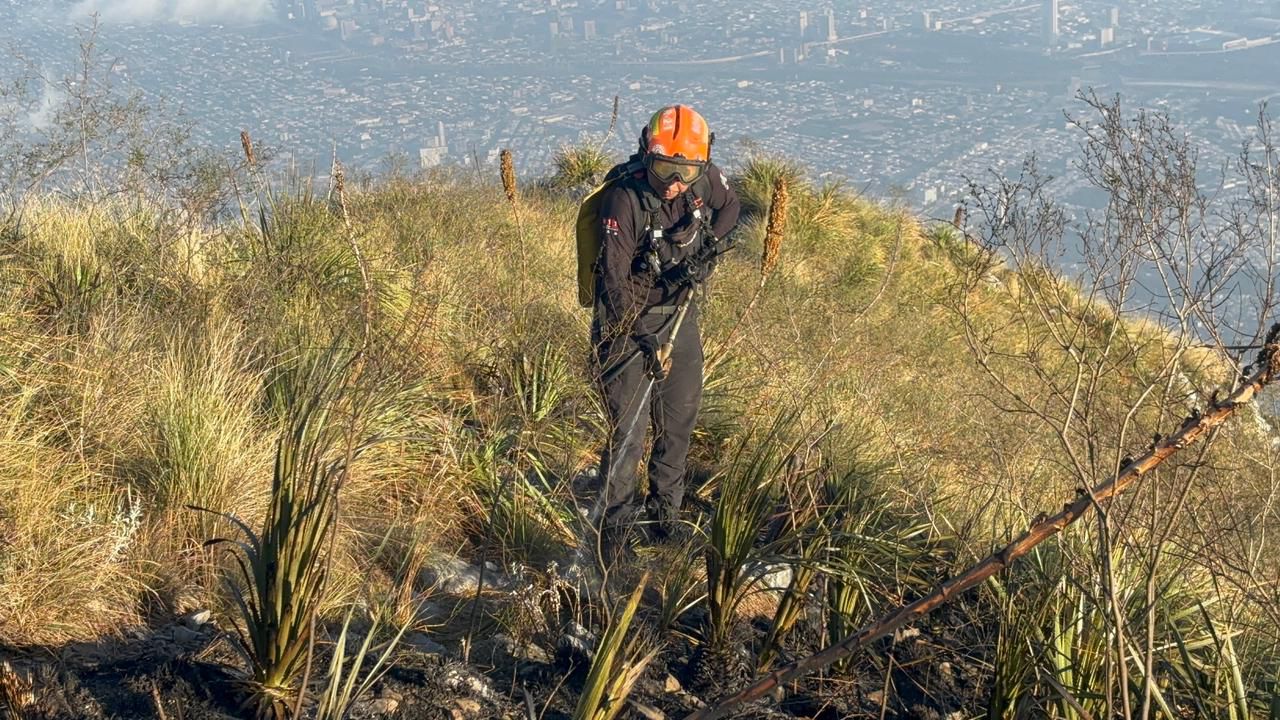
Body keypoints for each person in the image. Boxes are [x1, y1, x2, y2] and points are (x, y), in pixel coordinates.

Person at [591, 104, 741, 556]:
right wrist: (639, 338)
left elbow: (731, 208)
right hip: (625, 327)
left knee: (677, 424)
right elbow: (613, 283)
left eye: (686, 171)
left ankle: (664, 520)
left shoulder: (704, 182)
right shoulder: (625, 199)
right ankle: (613, 535)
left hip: (680, 318)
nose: (674, 180)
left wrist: (708, 252)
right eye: (664, 168)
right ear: (645, 155)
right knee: (629, 432)